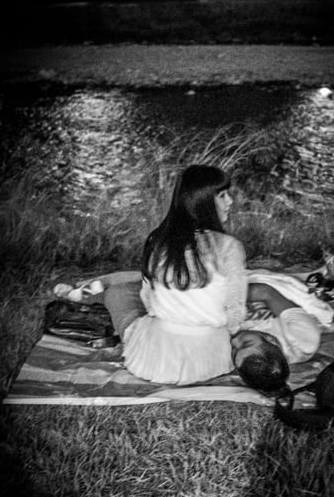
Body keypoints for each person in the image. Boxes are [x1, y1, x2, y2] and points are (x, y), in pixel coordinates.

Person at [103, 164, 248, 385]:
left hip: (155, 360)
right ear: (201, 200)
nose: (230, 201)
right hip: (210, 359)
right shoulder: (230, 246)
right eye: (222, 195)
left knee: (116, 294)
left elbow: (149, 302)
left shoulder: (157, 240)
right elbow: (235, 314)